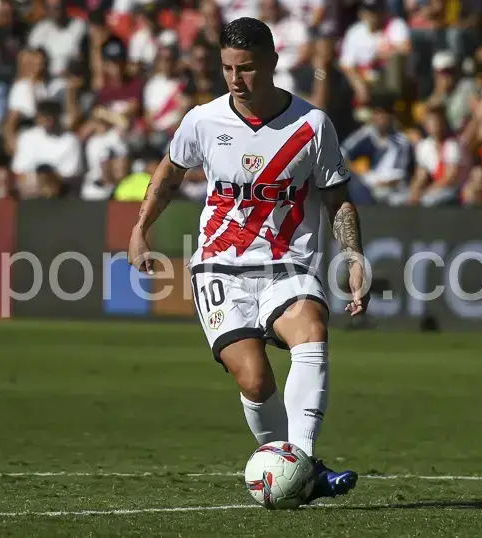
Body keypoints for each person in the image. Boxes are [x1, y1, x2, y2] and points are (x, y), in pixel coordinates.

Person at [127, 17, 367, 504]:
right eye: (228, 68)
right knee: (255, 379)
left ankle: (301, 460)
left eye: (248, 68)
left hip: (288, 264)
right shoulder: (203, 120)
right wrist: (140, 228)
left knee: (312, 328)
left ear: (274, 63)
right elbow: (170, 172)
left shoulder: (312, 125)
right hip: (219, 266)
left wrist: (353, 253)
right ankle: (298, 467)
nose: (236, 79)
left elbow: (336, 197)